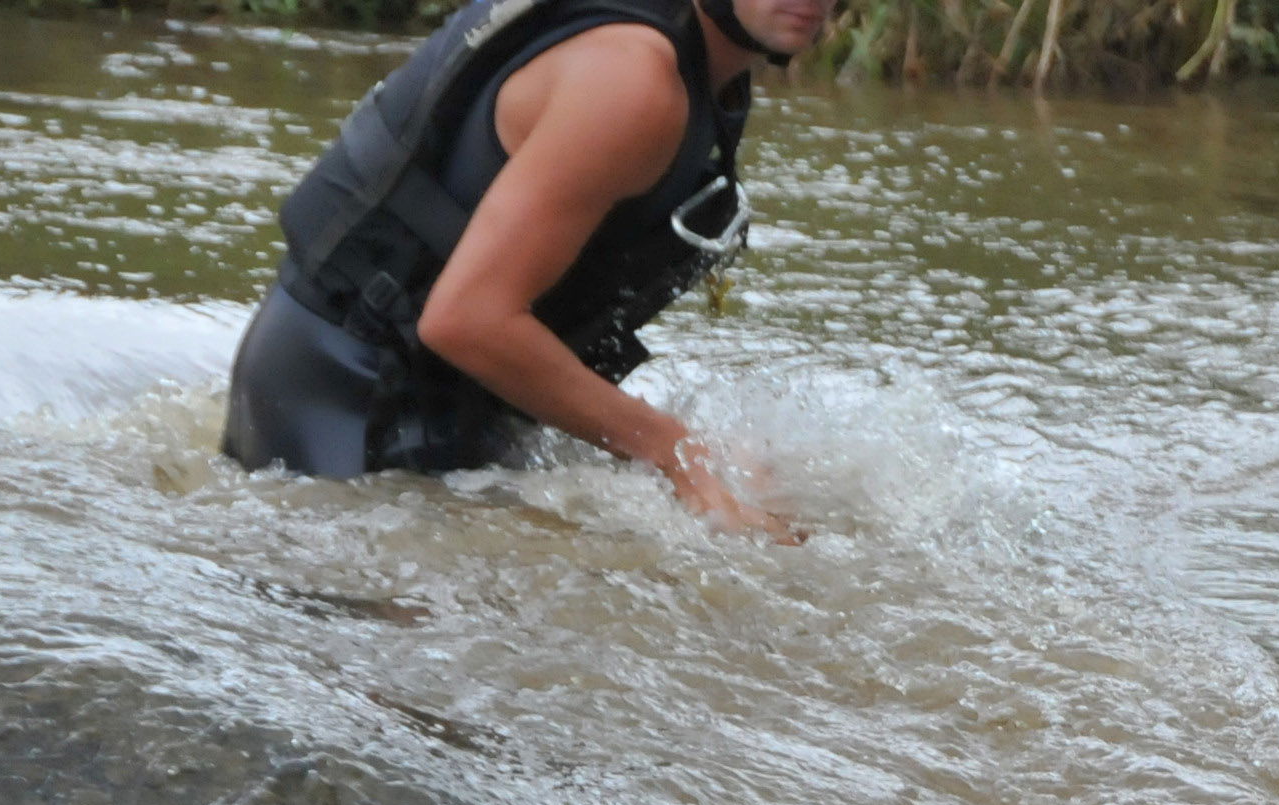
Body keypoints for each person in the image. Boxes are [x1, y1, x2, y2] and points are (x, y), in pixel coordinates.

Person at [220, 0, 833, 531]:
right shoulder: (632, 79)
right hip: (343, 403)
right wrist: (677, 452)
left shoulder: (700, 63)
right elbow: (466, 320)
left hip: (421, 398)